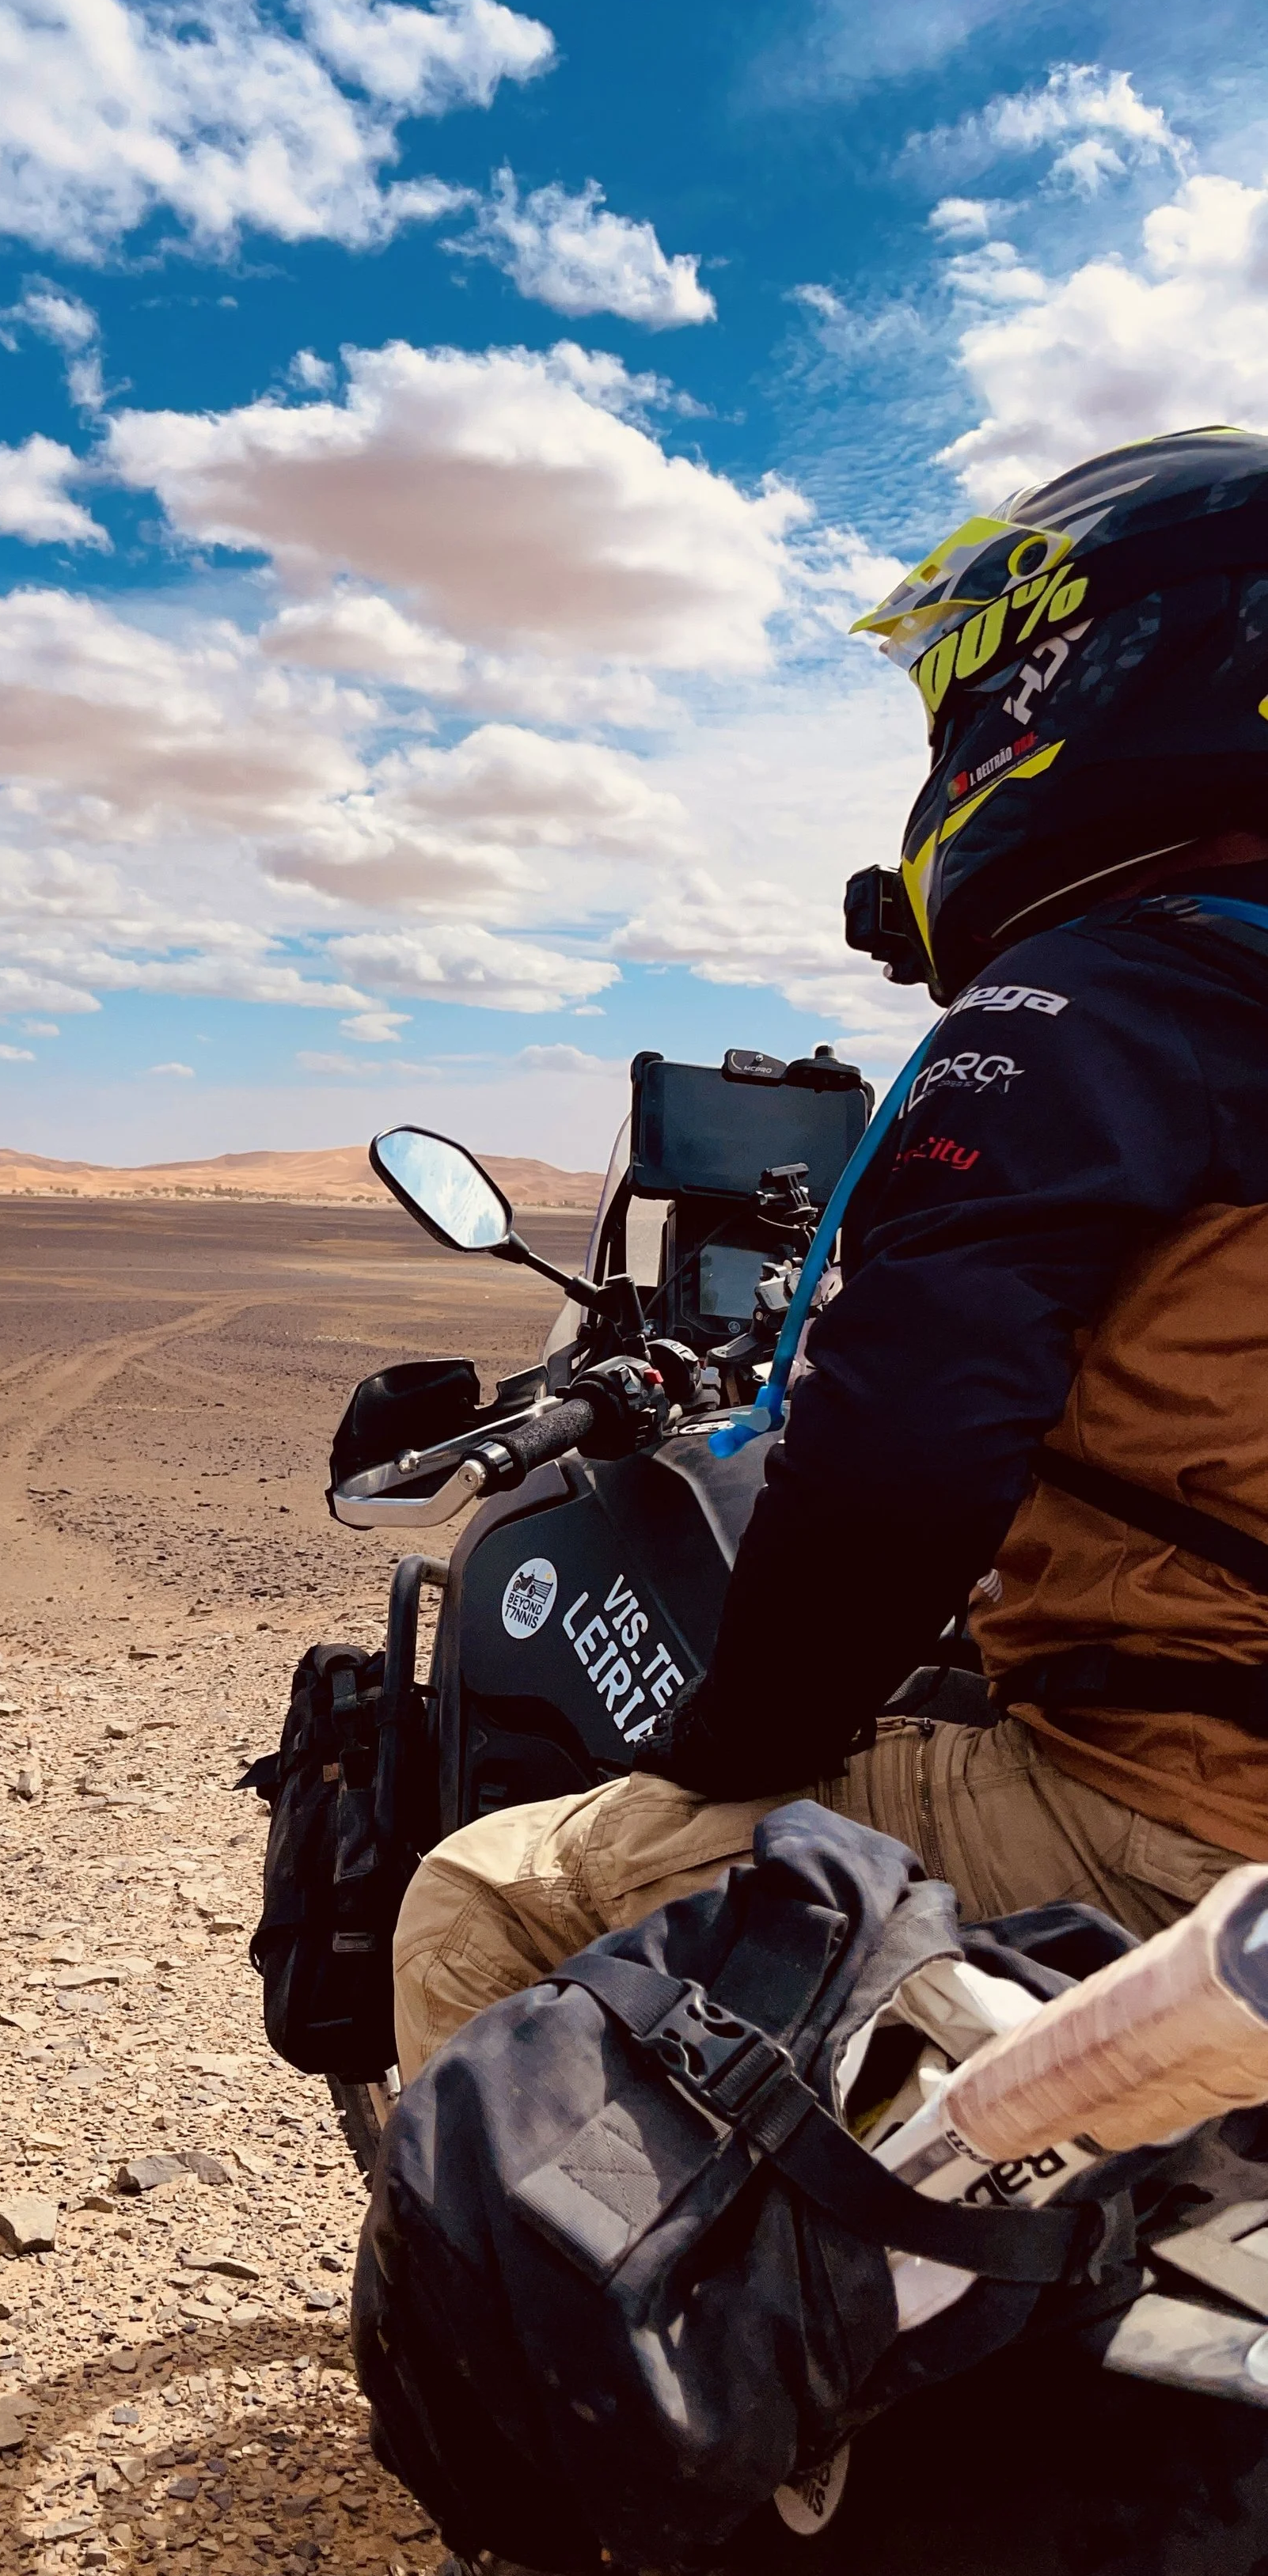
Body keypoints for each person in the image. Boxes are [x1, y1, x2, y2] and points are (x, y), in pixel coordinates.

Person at [394, 427, 1268, 2083]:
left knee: (486, 1899)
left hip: (1181, 1820)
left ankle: (516, 2343)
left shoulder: (1107, 998)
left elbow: (909, 1433)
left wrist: (726, 1749)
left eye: (981, 700)